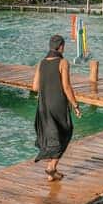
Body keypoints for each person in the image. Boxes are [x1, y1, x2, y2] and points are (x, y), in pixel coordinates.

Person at [32, 34, 81, 181]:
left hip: (43, 105)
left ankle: (52, 172)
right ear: (61, 47)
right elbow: (66, 87)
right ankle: (51, 167)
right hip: (57, 104)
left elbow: (35, 87)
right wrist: (76, 105)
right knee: (65, 132)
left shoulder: (41, 63)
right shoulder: (63, 62)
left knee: (51, 135)